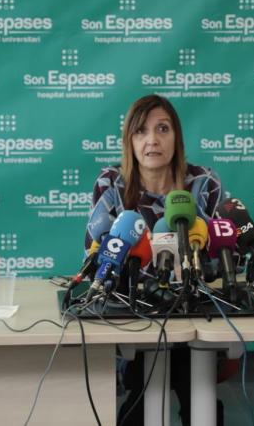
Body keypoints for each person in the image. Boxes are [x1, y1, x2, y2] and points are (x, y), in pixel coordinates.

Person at [84, 94, 223, 426]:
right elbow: (97, 257)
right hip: (134, 319)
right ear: (129, 141)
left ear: (177, 137)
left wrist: (195, 268)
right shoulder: (112, 185)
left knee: (197, 392)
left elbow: (219, 260)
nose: (152, 140)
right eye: (141, 131)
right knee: (144, 395)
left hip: (193, 319)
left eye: (163, 129)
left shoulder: (203, 184)